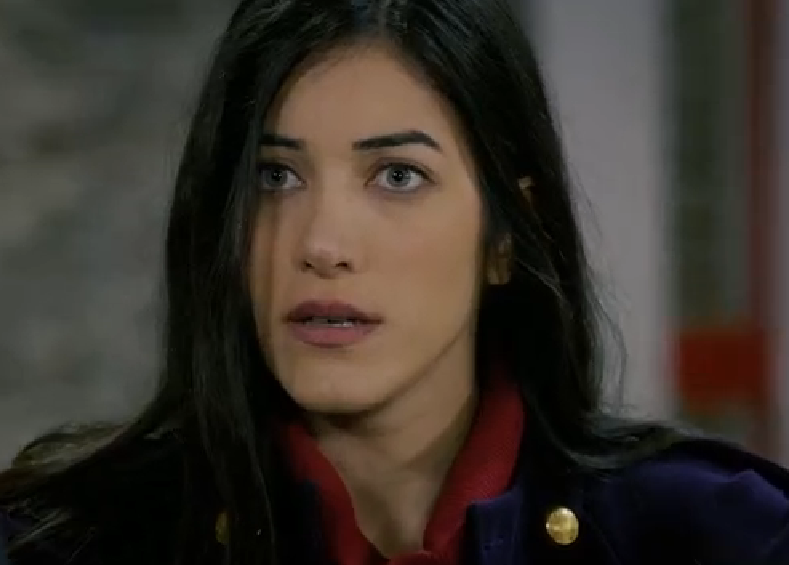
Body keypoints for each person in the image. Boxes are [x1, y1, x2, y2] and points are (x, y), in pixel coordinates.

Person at [2, 0, 788, 563]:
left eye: (397, 176)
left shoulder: (720, 534)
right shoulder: (66, 542)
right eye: (275, 176)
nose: (321, 244)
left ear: (506, 237)